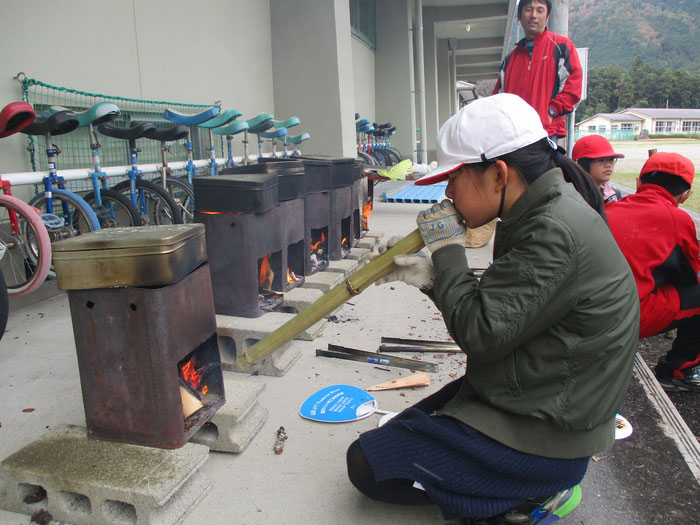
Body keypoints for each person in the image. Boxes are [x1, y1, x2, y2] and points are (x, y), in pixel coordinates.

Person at [345, 94, 639, 524]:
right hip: (537, 393)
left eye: (454, 179)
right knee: (398, 432)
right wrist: (428, 277)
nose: (447, 192)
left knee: (367, 463)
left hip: (549, 433)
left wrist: (448, 252)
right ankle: (506, 482)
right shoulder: (541, 211)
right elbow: (506, 309)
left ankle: (530, 497)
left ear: (498, 174)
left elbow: (480, 333)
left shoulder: (553, 230)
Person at [605, 152, 700, 392]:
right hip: (621, 318)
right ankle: (678, 370)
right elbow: (691, 275)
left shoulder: (608, 207)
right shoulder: (677, 218)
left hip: (584, 309)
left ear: (638, 182)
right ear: (687, 196)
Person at [492, 0, 582, 142]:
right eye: (528, 9)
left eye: (540, 10)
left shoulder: (562, 47)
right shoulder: (509, 60)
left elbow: (573, 87)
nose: (533, 15)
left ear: (547, 17)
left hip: (546, 133)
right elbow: (498, 100)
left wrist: (551, 111)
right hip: (514, 137)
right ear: (519, 17)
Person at [572, 135, 624, 203]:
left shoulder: (615, 195)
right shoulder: (571, 195)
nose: (608, 165)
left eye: (611, 160)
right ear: (581, 165)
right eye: (601, 160)